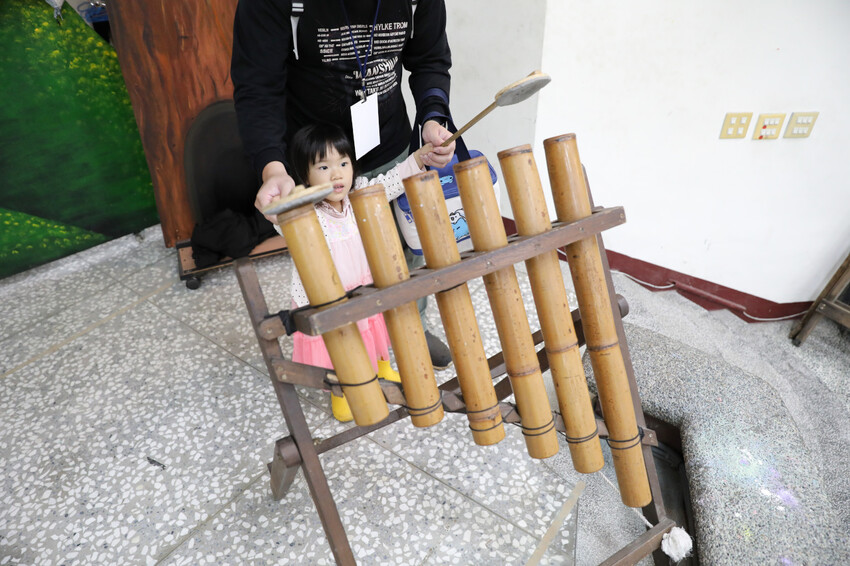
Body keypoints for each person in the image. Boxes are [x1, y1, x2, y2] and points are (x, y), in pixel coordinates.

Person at [231, 0, 455, 368]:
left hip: (389, 140)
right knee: (334, 261)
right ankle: (345, 349)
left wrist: (433, 115)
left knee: (405, 250)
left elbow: (430, 59)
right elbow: (257, 85)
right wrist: (272, 168)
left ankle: (411, 324)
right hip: (316, 157)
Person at [282, 123, 429, 421]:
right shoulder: (306, 213)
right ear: (305, 176)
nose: (337, 174)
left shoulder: (358, 194)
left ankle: (381, 367)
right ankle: (342, 391)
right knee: (340, 342)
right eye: (324, 167)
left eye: (343, 163)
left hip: (363, 286)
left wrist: (417, 159)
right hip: (328, 297)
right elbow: (280, 221)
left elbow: (390, 182)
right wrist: (283, 206)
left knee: (373, 326)